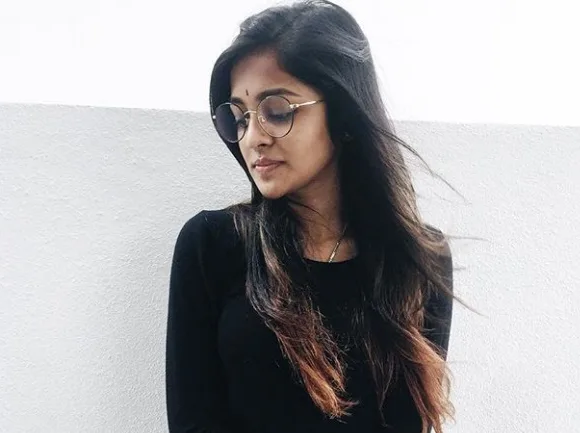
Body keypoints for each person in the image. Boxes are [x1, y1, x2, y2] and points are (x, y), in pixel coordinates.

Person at [166, 1, 462, 432]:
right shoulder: (213, 245)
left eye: (277, 111)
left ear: (343, 112)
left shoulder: (418, 259)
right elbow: (193, 422)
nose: (253, 138)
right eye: (239, 118)